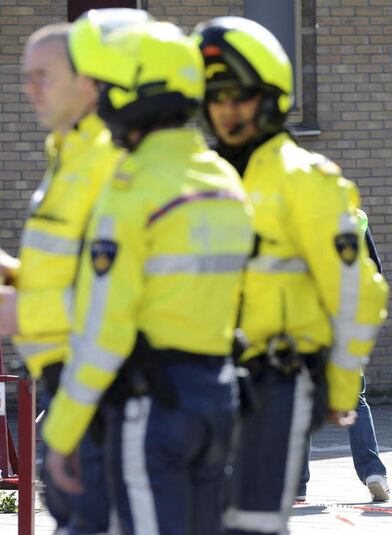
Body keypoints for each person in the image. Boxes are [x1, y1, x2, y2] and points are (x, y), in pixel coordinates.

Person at [41, 18, 254, 535]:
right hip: (218, 399)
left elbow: (105, 328)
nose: (101, 99)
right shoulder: (224, 180)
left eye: (107, 86)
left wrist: (63, 432)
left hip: (153, 406)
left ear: (135, 93)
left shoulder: (132, 188)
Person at [193, 17, 389, 535]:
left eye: (239, 96)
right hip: (200, 378)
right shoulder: (201, 180)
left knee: (252, 520)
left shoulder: (307, 180)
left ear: (270, 97)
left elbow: (358, 291)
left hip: (276, 380)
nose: (226, 110)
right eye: (215, 97)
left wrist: (341, 387)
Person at [0, 12, 147, 534]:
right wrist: (14, 276)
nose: (30, 88)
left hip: (110, 389)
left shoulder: (109, 163)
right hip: (69, 385)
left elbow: (130, 290)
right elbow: (81, 272)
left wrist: (22, 310)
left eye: (43, 75)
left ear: (87, 82)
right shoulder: (67, 157)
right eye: (26, 76)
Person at [298, 208, 389, 503]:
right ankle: (373, 473)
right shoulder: (355, 217)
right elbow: (374, 273)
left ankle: (296, 485)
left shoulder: (294, 210)